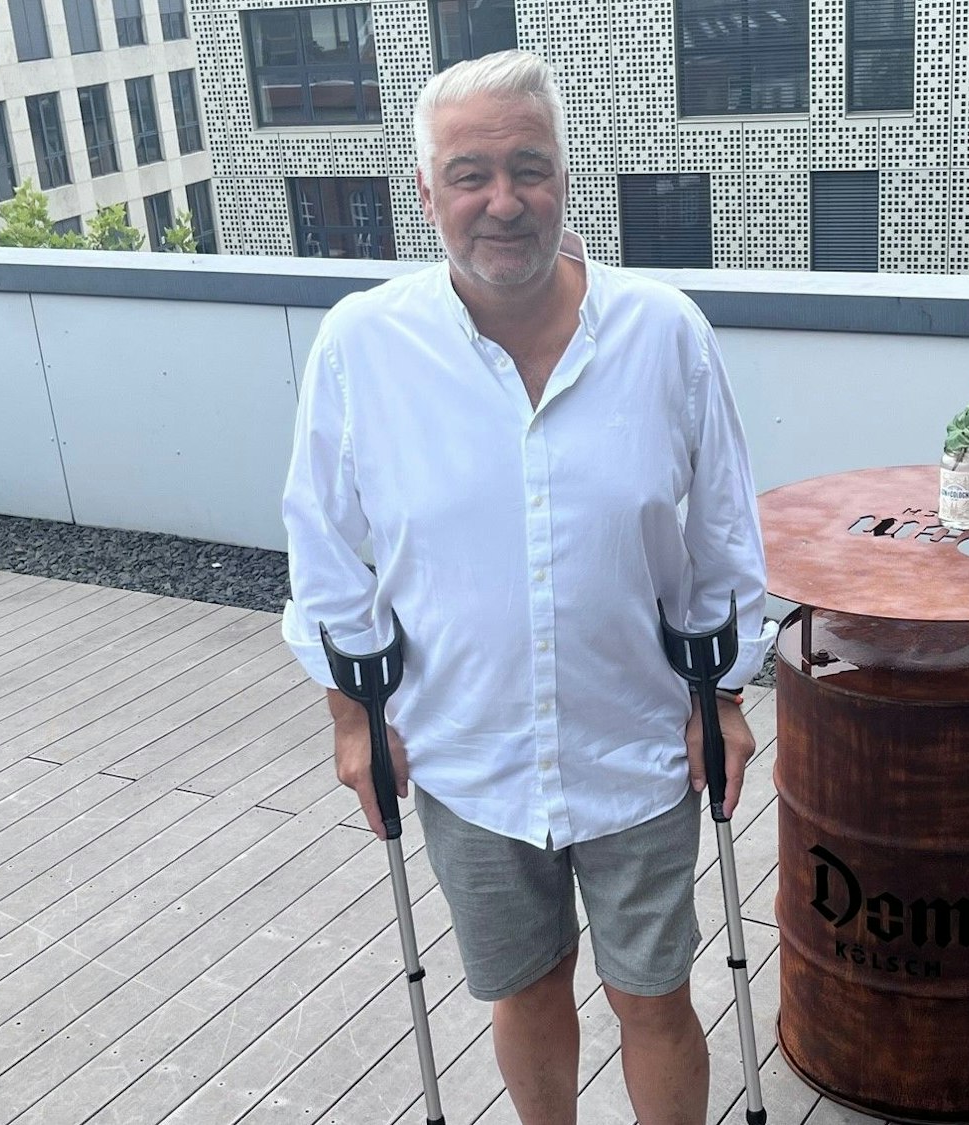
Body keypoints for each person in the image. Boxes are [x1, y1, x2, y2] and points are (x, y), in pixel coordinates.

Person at [279, 49, 773, 1125]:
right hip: (468, 750)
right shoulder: (363, 344)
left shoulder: (663, 332)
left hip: (635, 743)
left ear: (564, 178)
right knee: (525, 988)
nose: (501, 201)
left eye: (528, 168)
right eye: (469, 173)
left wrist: (723, 698)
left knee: (651, 997)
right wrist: (351, 721)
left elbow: (724, 536)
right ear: (425, 192)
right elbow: (321, 546)